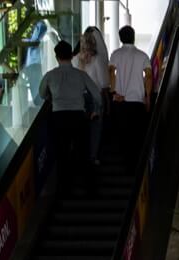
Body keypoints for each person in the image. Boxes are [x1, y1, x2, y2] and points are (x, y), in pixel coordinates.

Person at [40, 40, 102, 191]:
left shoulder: (50, 76)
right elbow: (97, 95)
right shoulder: (81, 75)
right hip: (78, 117)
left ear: (56, 57)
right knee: (83, 152)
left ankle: (64, 187)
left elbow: (42, 94)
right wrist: (96, 110)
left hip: (58, 117)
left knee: (61, 153)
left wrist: (52, 97)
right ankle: (89, 187)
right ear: (71, 55)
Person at [108, 25, 152, 170]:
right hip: (137, 101)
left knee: (123, 133)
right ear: (133, 37)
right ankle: (136, 166)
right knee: (137, 134)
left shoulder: (116, 54)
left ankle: (125, 163)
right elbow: (149, 76)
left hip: (120, 101)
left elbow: (111, 72)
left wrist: (113, 92)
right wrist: (148, 97)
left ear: (120, 38)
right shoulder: (142, 55)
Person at [76, 26, 109, 163]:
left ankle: (81, 156)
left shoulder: (75, 59)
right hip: (95, 97)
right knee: (95, 128)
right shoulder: (97, 59)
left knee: (82, 128)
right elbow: (103, 82)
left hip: (79, 98)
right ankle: (93, 156)